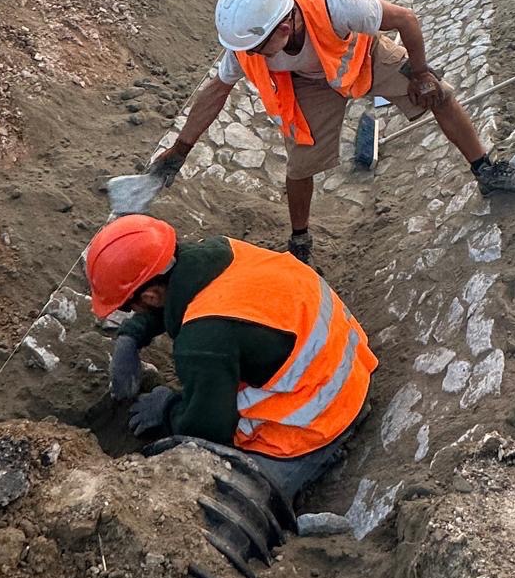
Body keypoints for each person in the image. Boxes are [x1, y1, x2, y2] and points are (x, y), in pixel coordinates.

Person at [147, 0, 515, 260]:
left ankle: (487, 172)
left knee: (439, 95)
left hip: (360, 57)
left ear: (286, 25)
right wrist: (179, 150)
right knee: (300, 164)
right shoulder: (246, 41)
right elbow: (215, 91)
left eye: (257, 48)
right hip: (306, 85)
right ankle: (300, 241)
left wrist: (421, 73)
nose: (249, 57)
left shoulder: (336, 2)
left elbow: (405, 18)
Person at [87, 213, 377, 500]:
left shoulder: (202, 340)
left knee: (231, 495)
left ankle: (324, 457)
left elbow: (208, 428)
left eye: (129, 308)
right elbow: (174, 299)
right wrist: (130, 336)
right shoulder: (219, 252)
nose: (132, 312)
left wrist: (167, 408)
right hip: (346, 363)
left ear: (149, 297)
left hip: (318, 416)